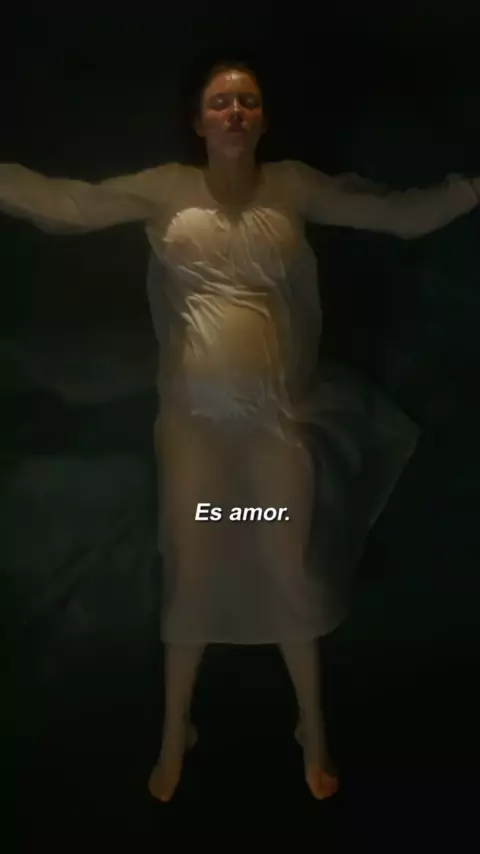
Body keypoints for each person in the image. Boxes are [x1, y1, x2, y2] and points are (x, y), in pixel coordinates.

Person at [1, 60, 479, 803]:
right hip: (193, 427)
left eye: (247, 101)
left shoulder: (292, 186)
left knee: (287, 559)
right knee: (193, 566)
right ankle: (175, 732)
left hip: (275, 422)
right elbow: (69, 203)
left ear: (261, 120)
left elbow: (397, 214)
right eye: (220, 101)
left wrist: (470, 190)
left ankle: (312, 728)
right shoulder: (166, 188)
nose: (234, 111)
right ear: (199, 122)